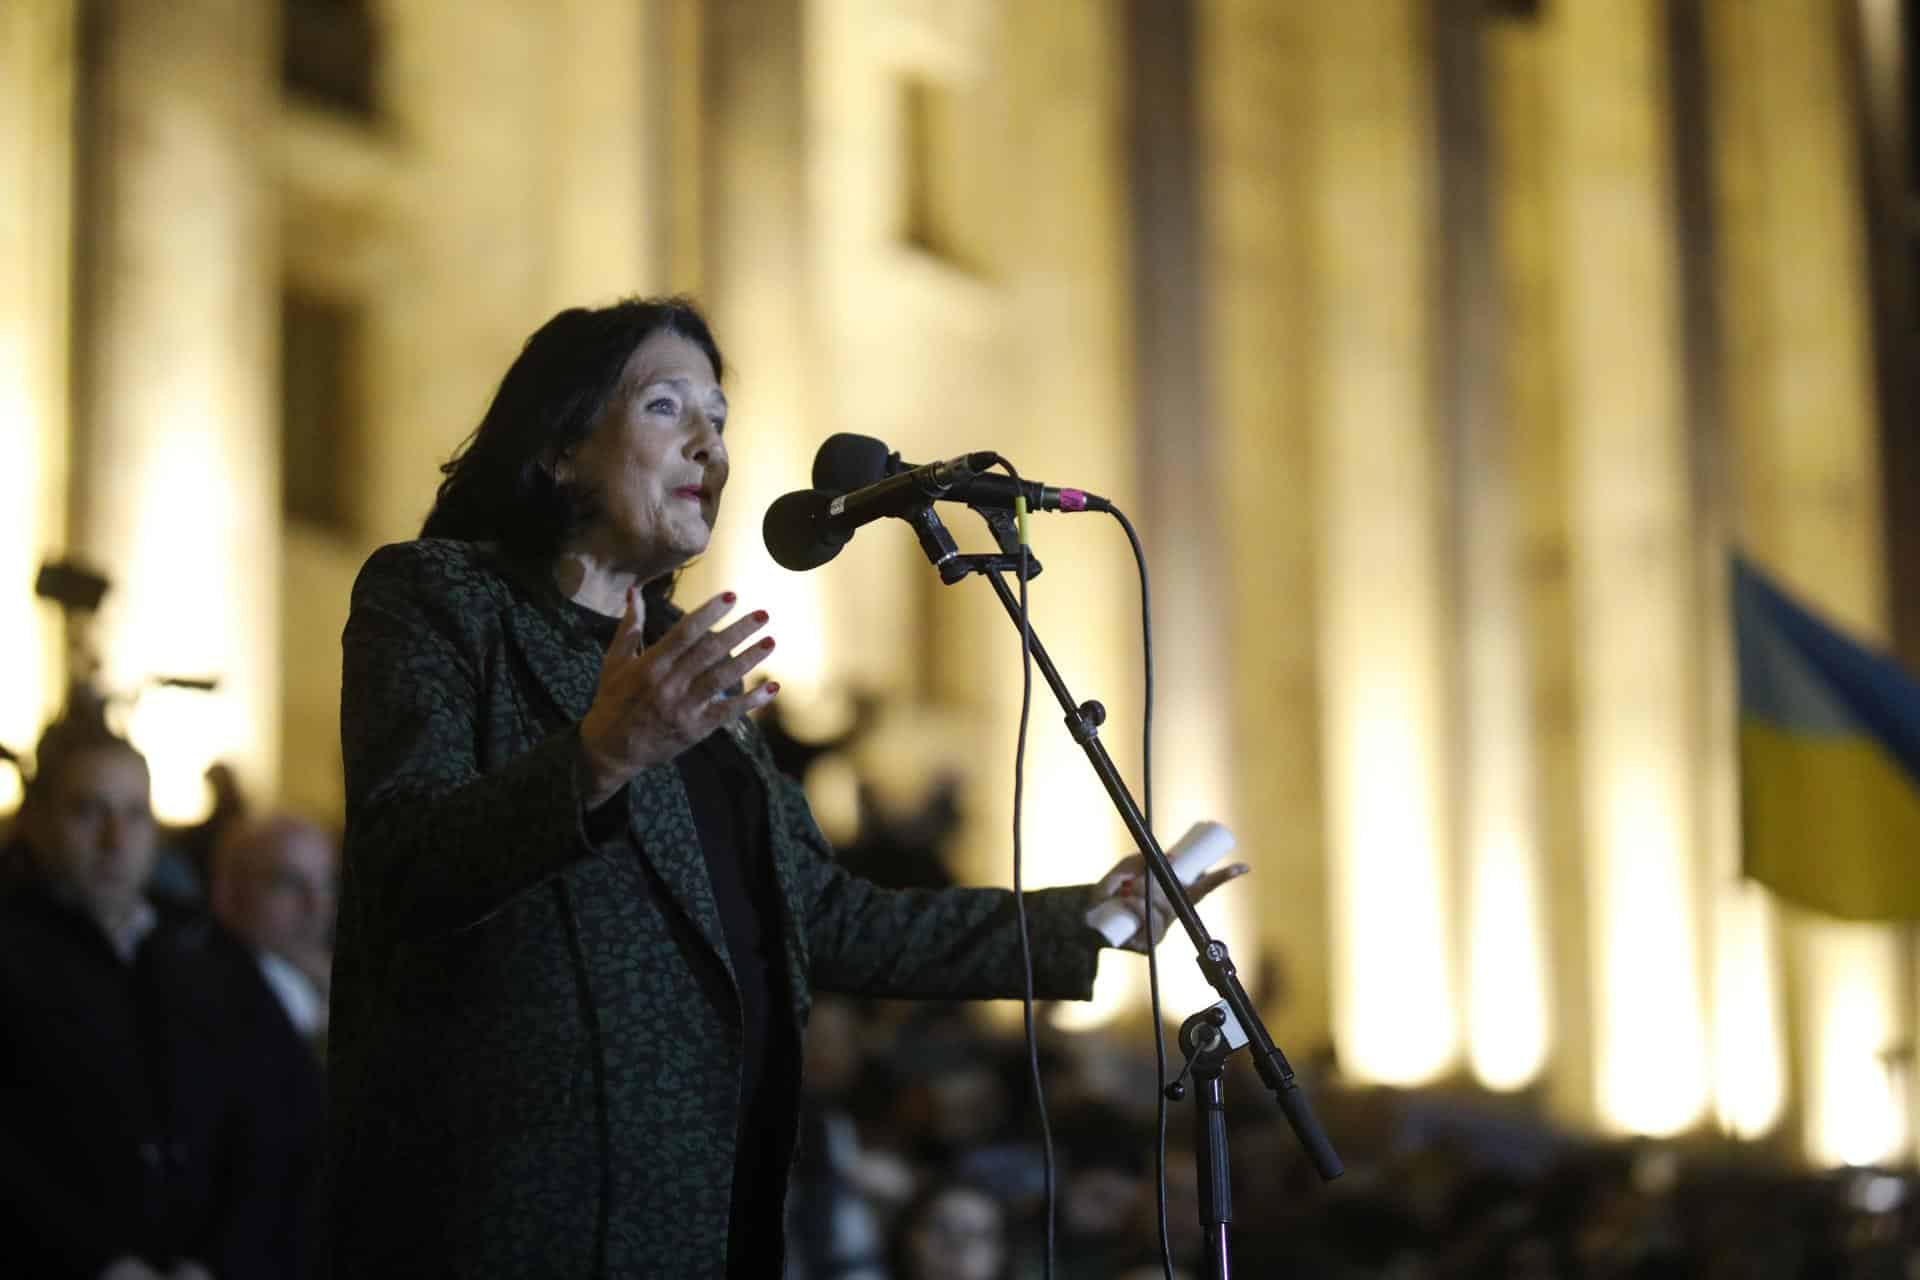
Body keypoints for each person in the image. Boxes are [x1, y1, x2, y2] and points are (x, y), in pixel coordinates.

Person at [324, 296, 1249, 1278]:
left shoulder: (697, 686)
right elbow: (404, 864)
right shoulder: (441, 599)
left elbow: (828, 915)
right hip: (518, 1216)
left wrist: (1087, 918)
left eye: (720, 422)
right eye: (667, 408)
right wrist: (599, 755)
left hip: (709, 1212)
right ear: (560, 447)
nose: (711, 451)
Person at [0, 707, 307, 1279]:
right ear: (38, 820)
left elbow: (278, 1117)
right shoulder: (13, 950)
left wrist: (217, 1262)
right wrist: (98, 1262)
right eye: (88, 811)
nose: (116, 839)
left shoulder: (210, 952)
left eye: (136, 814)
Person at [209, 813, 338, 1044]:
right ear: (229, 892)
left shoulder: (319, 972)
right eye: (288, 882)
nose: (316, 904)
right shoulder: (211, 990)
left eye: (326, 883)